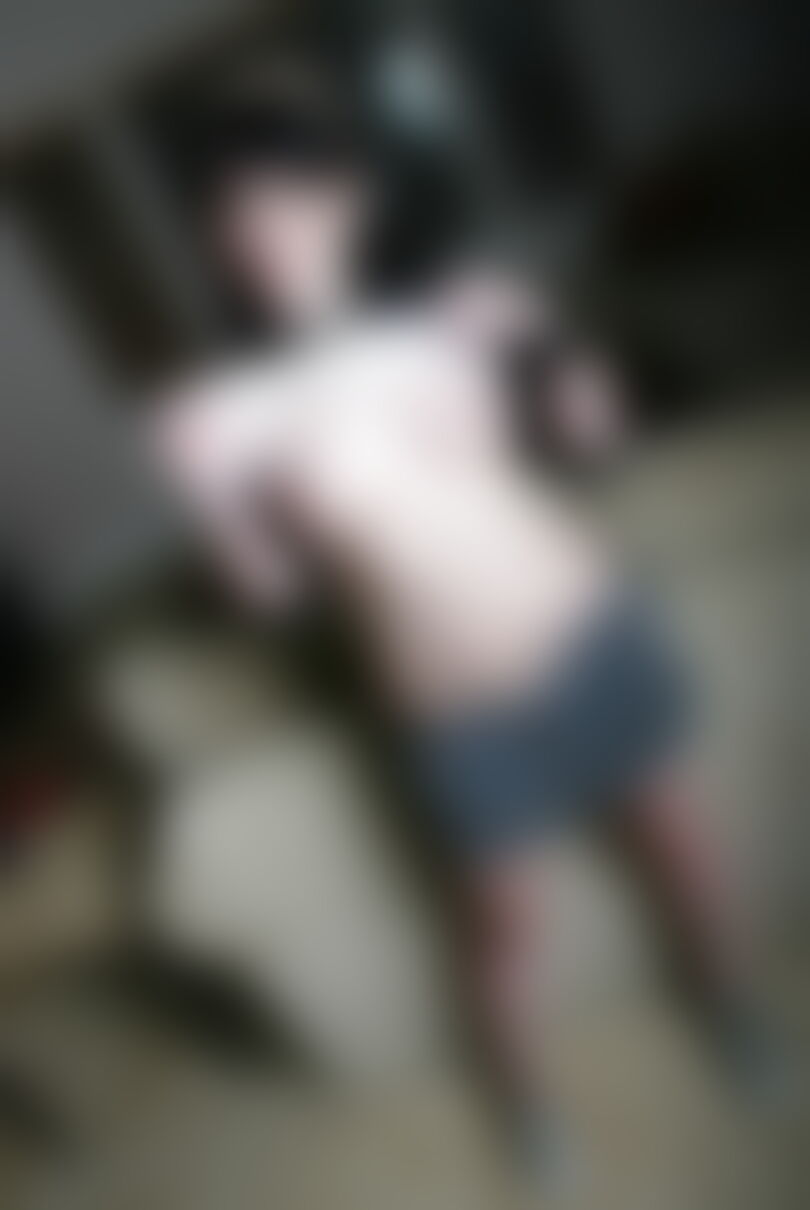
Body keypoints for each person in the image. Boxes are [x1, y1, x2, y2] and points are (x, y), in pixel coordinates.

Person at [149, 66, 770, 1183]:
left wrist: (562, 360)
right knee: (504, 925)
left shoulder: (449, 314)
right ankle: (526, 1100)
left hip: (591, 627)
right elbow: (274, 600)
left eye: (288, 200)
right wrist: (221, 506)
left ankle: (732, 1006)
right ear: (215, 246)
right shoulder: (226, 415)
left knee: (678, 843)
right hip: (458, 715)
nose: (265, 233)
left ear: (345, 199)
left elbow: (595, 437)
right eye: (233, 216)